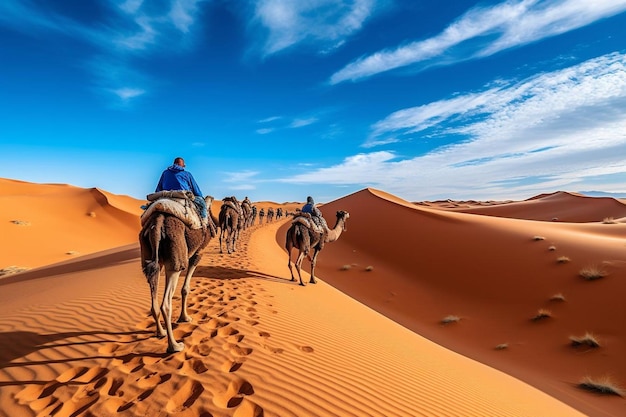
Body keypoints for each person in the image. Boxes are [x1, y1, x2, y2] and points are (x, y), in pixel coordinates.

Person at [155, 157, 207, 222]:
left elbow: (158, 188)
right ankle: (204, 223)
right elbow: (196, 189)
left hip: (166, 196)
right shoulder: (187, 174)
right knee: (203, 204)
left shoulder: (165, 173)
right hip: (183, 196)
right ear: (182, 165)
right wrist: (200, 197)